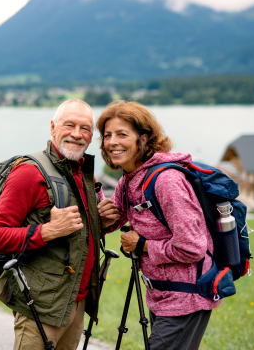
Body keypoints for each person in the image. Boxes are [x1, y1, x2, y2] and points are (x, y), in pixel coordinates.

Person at [0, 99, 118, 350]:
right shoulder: (29, 173)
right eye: (69, 125)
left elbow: (76, 230)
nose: (77, 134)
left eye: (85, 128)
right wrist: (47, 231)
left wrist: (104, 223)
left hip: (75, 302)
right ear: (53, 127)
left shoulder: (84, 174)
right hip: (41, 305)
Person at [97, 100, 221, 350]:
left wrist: (142, 245)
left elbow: (192, 248)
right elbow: (114, 218)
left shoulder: (167, 182)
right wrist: (100, 212)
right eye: (107, 135)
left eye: (122, 134)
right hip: (161, 295)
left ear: (143, 138)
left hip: (187, 296)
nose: (112, 142)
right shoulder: (130, 178)